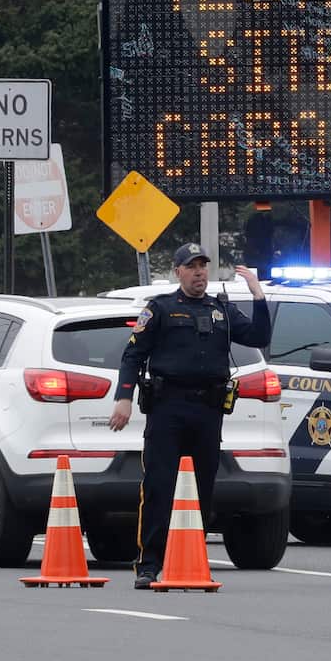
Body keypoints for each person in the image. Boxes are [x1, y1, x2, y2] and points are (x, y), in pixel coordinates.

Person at [108, 242, 270, 589]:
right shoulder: (161, 308)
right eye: (192, 266)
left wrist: (258, 297)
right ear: (178, 271)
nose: (199, 272)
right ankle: (149, 564)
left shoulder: (221, 309)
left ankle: (192, 558)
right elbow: (132, 356)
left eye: (203, 266)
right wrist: (123, 398)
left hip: (208, 410)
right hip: (169, 408)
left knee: (203, 490)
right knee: (159, 486)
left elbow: (259, 336)